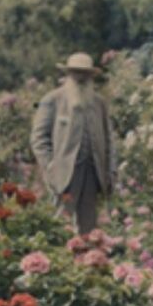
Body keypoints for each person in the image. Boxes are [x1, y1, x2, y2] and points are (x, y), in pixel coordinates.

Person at [30, 52, 116, 234]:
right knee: (60, 227)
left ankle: (86, 252)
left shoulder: (99, 103)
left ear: (91, 76)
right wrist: (50, 167)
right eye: (77, 72)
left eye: (85, 73)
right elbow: (39, 138)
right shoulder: (52, 100)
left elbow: (109, 140)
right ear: (68, 74)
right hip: (64, 175)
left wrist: (111, 171)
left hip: (92, 172)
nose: (81, 77)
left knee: (89, 230)